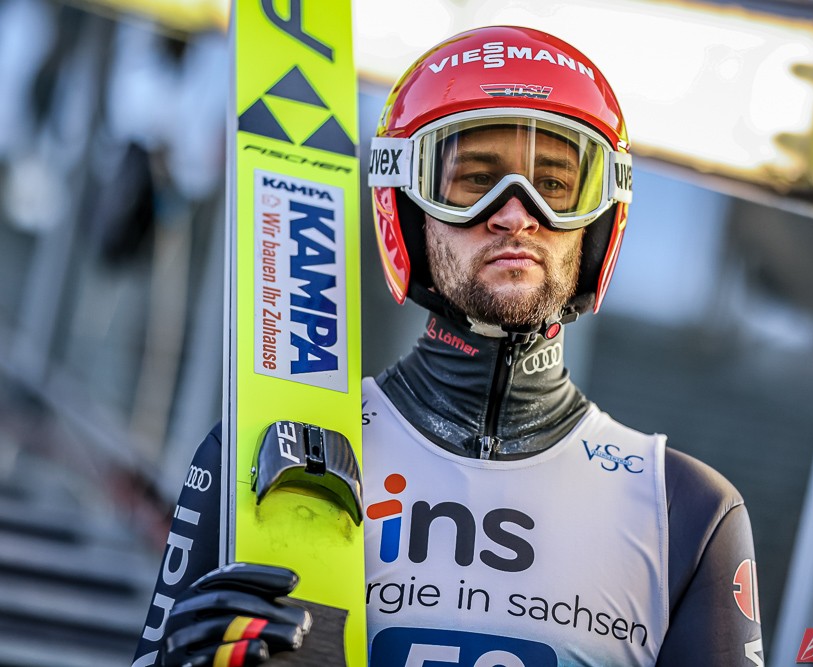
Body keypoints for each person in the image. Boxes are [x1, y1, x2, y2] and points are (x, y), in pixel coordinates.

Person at [133, 25, 764, 667]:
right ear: (408, 207)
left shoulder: (684, 513)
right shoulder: (258, 453)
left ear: (600, 217)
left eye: (553, 185)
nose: (515, 214)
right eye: (474, 179)